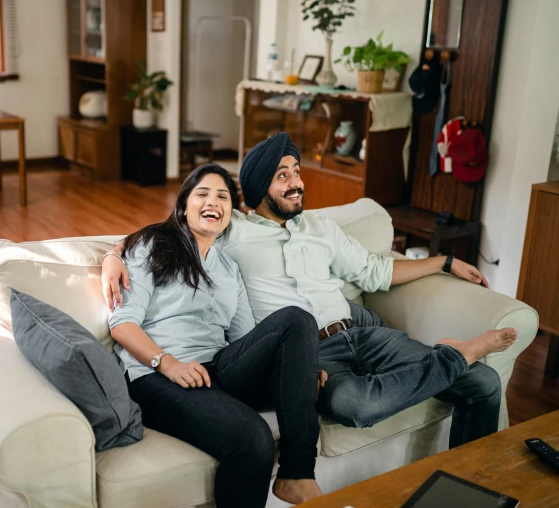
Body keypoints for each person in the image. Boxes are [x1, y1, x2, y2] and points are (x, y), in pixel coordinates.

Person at [103, 132, 517, 454]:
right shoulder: (233, 228)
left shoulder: (322, 229)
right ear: (257, 187)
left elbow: (376, 271)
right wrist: (112, 255)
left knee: (482, 384)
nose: (296, 183)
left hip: (363, 335)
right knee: (357, 406)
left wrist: (442, 262)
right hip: (309, 354)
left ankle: (467, 491)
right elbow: (174, 227)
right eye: (283, 176)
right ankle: (452, 356)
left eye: (297, 172)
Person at [109, 163, 326, 507]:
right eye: (203, 193)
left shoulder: (228, 267)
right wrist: (168, 364)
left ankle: (297, 474)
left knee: (298, 321)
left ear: (230, 212)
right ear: (182, 205)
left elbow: (245, 340)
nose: (214, 201)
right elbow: (121, 324)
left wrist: (295, 368)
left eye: (223, 196)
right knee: (255, 440)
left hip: (217, 368)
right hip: (156, 376)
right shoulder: (153, 244)